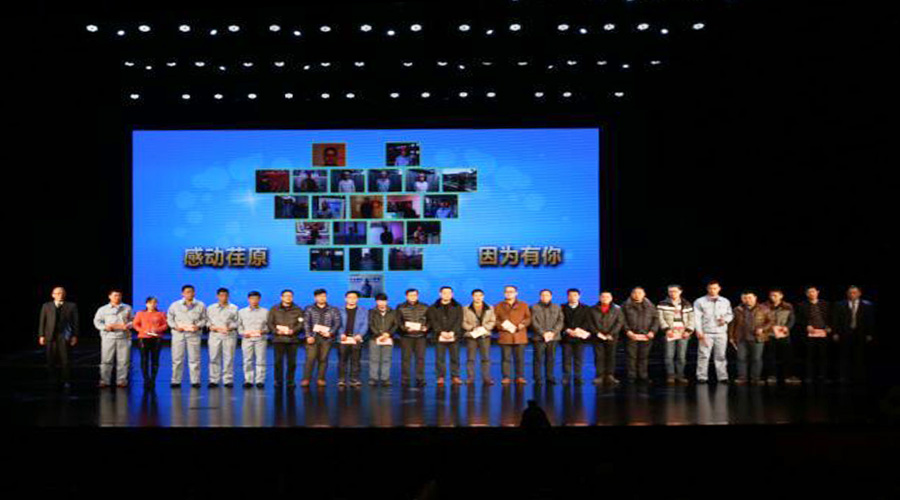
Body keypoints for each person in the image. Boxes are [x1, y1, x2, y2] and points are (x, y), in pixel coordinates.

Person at [728, 291, 774, 386]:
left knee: (756, 359)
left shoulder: (763, 308)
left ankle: (755, 378)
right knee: (741, 358)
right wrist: (731, 336)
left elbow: (771, 321)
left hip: (757, 338)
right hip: (741, 338)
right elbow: (732, 324)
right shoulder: (738, 309)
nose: (747, 300)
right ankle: (742, 378)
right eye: (745, 298)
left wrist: (763, 328)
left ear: (755, 297)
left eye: (750, 297)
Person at [37, 286, 79, 389]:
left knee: (65, 359)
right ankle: (52, 380)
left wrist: (75, 335)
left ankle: (66, 380)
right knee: (50, 359)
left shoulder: (71, 306)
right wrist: (41, 335)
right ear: (53, 295)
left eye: (61, 293)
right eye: (57, 293)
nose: (60, 295)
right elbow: (42, 321)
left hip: (64, 335)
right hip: (50, 335)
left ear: (64, 294)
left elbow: (75, 322)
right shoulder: (46, 306)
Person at [833, 285, 876, 384]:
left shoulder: (867, 305)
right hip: (845, 333)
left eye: (854, 292)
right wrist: (835, 333)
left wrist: (869, 333)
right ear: (847, 294)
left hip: (860, 334)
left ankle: (859, 377)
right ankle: (844, 377)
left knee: (859, 356)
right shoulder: (840, 304)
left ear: (859, 293)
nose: (852, 294)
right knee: (844, 356)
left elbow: (870, 320)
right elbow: (835, 319)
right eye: (850, 293)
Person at [167, 284, 207, 388]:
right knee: (177, 359)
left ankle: (195, 381)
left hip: (194, 335)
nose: (190, 294)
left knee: (194, 359)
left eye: (191, 292)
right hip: (178, 335)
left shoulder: (200, 305)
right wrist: (175, 327)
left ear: (194, 293)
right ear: (183, 294)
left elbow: (204, 319)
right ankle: (175, 380)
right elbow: (169, 319)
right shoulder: (175, 305)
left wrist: (198, 326)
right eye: (187, 292)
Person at [693, 280, 734, 384]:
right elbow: (697, 318)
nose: (712, 290)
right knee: (703, 355)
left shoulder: (725, 301)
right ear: (707, 289)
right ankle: (702, 376)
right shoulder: (700, 301)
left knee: (721, 356)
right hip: (706, 332)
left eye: (715, 288)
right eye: (710, 288)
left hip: (721, 333)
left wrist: (725, 320)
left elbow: (730, 314)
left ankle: (722, 377)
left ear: (719, 289)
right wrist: (699, 331)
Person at [93, 289, 133, 388]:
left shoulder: (127, 307)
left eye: (119, 295)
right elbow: (97, 321)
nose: (117, 297)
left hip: (123, 337)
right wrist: (104, 327)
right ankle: (104, 380)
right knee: (106, 360)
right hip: (108, 337)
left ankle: (121, 380)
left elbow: (133, 320)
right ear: (109, 296)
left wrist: (127, 325)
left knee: (123, 360)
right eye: (115, 295)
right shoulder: (103, 309)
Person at [303, 288, 342, 387]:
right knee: (310, 358)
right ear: (315, 297)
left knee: (323, 359)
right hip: (313, 337)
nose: (322, 298)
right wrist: (308, 336)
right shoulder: (309, 308)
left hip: (326, 338)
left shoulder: (333, 309)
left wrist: (330, 333)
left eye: (324, 296)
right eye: (319, 296)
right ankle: (306, 378)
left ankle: (321, 378)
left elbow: (337, 322)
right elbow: (306, 323)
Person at [657, 284, 695, 385]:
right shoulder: (662, 304)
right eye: (670, 291)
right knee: (669, 355)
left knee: (681, 356)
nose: (672, 293)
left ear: (680, 292)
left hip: (683, 333)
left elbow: (692, 318)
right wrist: (667, 330)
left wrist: (688, 331)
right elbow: (660, 318)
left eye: (674, 291)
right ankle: (671, 376)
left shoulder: (687, 304)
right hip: (670, 333)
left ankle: (680, 375)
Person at [268, 289, 305, 389]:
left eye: (290, 296)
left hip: (292, 339)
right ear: (281, 297)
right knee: (278, 362)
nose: (288, 298)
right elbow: (270, 323)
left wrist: (294, 331)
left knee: (292, 362)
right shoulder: (274, 309)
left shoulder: (298, 309)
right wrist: (276, 331)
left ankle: (290, 380)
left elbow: (301, 324)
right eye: (286, 296)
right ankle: (278, 380)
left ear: (292, 297)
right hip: (278, 339)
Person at [494, 285, 531, 385]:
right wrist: (502, 326)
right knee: (505, 358)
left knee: (520, 358)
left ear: (516, 293)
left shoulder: (523, 305)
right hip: (505, 335)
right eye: (507, 291)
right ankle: (506, 377)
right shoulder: (498, 305)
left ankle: (520, 377)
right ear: (504, 293)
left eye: (511, 291)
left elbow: (528, 318)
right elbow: (495, 320)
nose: (509, 293)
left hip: (519, 335)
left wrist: (523, 324)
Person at [427, 286, 464, 385]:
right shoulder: (433, 307)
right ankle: (440, 377)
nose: (447, 295)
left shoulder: (458, 306)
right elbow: (433, 321)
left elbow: (459, 320)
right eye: (444, 293)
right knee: (440, 358)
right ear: (440, 294)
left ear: (452, 294)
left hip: (454, 335)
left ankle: (455, 376)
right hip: (439, 335)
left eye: (449, 293)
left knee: (455, 357)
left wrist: (453, 332)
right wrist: (441, 332)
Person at [622, 287, 659, 383]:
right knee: (631, 357)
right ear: (631, 294)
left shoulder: (650, 305)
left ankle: (643, 376)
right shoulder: (625, 305)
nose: (637, 295)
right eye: (634, 293)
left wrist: (652, 331)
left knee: (643, 357)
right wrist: (628, 331)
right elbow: (622, 320)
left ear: (644, 294)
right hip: (631, 335)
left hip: (646, 335)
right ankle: (631, 376)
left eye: (639, 293)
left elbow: (656, 319)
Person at [586, 291, 624, 385]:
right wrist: (597, 333)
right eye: (603, 296)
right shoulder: (592, 309)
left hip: (611, 337)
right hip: (597, 337)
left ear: (611, 298)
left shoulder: (617, 309)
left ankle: (610, 375)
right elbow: (589, 322)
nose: (605, 298)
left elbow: (619, 322)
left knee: (610, 356)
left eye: (607, 297)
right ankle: (599, 376)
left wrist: (611, 333)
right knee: (599, 357)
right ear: (599, 298)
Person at [764, 289, 801, 385]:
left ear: (781, 296)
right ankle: (772, 376)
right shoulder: (765, 306)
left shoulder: (788, 306)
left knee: (787, 356)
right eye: (771, 295)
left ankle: (788, 376)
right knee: (770, 356)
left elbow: (792, 319)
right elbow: (762, 319)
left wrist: (787, 327)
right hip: (770, 334)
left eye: (775, 295)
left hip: (783, 333)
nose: (773, 297)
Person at [796, 286, 831, 384]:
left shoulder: (825, 304)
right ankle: (809, 376)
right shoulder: (801, 305)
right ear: (806, 294)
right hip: (809, 334)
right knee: (809, 356)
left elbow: (830, 317)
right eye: (809, 292)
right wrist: (806, 325)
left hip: (823, 333)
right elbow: (798, 319)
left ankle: (823, 376)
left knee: (823, 356)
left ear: (817, 292)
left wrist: (829, 326)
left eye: (813, 291)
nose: (811, 293)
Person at [462, 289, 496, 385]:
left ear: (483, 296)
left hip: (485, 334)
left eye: (480, 295)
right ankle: (470, 378)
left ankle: (486, 378)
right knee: (470, 358)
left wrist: (484, 328)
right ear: (472, 296)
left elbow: (493, 321)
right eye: (476, 295)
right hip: (472, 335)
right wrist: (472, 328)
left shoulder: (490, 308)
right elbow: (463, 322)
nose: (478, 297)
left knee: (485, 358)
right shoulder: (466, 308)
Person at [206, 287, 239, 388]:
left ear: (228, 296)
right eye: (221, 295)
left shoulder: (234, 308)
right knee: (214, 357)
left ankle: (228, 380)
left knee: (228, 358)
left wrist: (230, 327)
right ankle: (213, 380)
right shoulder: (210, 308)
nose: (223, 297)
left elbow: (237, 322)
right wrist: (211, 326)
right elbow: (207, 321)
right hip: (215, 335)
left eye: (225, 295)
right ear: (217, 296)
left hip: (229, 335)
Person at [397, 288, 429, 386]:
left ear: (417, 296)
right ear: (406, 296)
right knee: (406, 359)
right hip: (406, 336)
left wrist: (426, 327)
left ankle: (420, 378)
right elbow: (398, 321)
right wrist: (405, 329)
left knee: (420, 359)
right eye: (410, 295)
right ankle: (405, 379)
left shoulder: (425, 306)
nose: (413, 297)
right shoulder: (400, 307)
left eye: (415, 295)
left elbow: (430, 320)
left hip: (420, 336)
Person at [530, 289, 563, 385]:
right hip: (539, 337)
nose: (545, 297)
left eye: (547, 295)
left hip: (553, 337)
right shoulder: (534, 307)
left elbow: (560, 321)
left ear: (551, 296)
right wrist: (543, 333)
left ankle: (550, 377)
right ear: (540, 296)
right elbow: (533, 322)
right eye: (543, 295)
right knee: (538, 358)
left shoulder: (557, 307)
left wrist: (553, 332)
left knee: (551, 358)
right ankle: (537, 378)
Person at [133, 296, 167, 388]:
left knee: (155, 359)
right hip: (143, 338)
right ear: (146, 304)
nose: (152, 304)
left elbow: (165, 325)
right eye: (150, 303)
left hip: (156, 338)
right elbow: (135, 324)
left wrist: (157, 329)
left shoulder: (161, 313)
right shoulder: (140, 313)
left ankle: (153, 379)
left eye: (154, 303)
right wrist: (143, 330)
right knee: (144, 359)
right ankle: (146, 379)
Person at [238, 291, 269, 388]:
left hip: (260, 339)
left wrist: (263, 331)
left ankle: (260, 380)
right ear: (248, 299)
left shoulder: (265, 312)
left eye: (256, 298)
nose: (254, 301)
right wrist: (243, 333)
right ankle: (248, 380)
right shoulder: (241, 312)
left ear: (259, 299)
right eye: (252, 298)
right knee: (247, 360)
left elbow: (269, 326)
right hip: (247, 339)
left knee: (261, 360)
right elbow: (239, 325)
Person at [561, 288, 591, 385]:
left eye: (575, 295)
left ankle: (578, 376)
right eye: (570, 295)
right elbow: (560, 321)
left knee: (579, 358)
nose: (572, 297)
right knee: (566, 358)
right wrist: (567, 330)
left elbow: (587, 321)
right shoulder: (562, 307)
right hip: (567, 336)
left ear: (579, 296)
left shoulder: (586, 308)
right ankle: (566, 376)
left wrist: (579, 330)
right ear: (567, 296)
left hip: (580, 337)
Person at [337, 291, 368, 387]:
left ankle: (354, 379)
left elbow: (365, 324)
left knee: (356, 360)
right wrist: (341, 334)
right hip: (343, 339)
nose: (352, 299)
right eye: (349, 297)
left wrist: (360, 335)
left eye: (354, 298)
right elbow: (337, 323)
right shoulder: (339, 310)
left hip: (356, 339)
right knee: (342, 360)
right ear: (345, 299)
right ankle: (342, 379)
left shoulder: (363, 310)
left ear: (357, 299)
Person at [367, 293, 399, 386]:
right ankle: (373, 378)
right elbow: (370, 324)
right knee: (374, 359)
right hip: (375, 338)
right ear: (376, 302)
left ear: (387, 301)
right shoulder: (371, 312)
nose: (381, 303)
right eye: (379, 301)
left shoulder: (393, 312)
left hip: (388, 338)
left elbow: (395, 325)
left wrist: (388, 334)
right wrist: (379, 334)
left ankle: (385, 378)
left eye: (384, 301)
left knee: (386, 359)